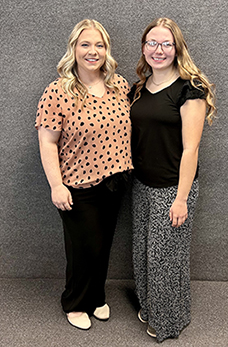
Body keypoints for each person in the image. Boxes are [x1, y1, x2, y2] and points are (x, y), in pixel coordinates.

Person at [35, 19, 133, 330]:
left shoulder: (120, 85)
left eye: (99, 45)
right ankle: (75, 302)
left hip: (116, 180)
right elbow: (48, 141)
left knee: (103, 244)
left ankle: (95, 296)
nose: (93, 51)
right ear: (74, 49)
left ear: (107, 50)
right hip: (77, 185)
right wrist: (56, 185)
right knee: (84, 247)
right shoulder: (58, 91)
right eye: (85, 44)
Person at [129, 17, 216, 342]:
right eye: (152, 42)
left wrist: (181, 198)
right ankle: (150, 307)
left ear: (177, 48)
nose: (158, 49)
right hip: (141, 185)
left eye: (166, 43)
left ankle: (167, 322)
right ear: (144, 47)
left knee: (164, 258)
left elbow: (191, 149)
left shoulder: (189, 89)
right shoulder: (138, 88)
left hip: (173, 188)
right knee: (142, 253)